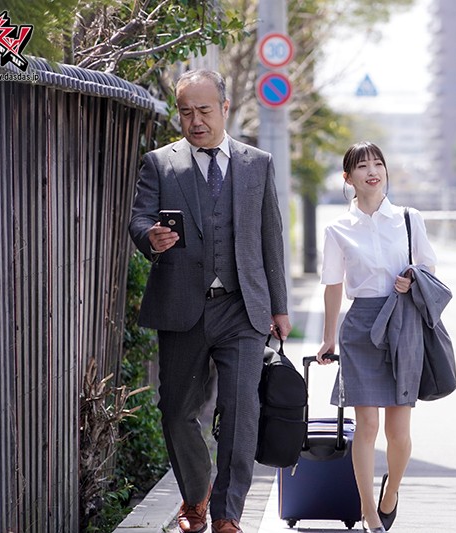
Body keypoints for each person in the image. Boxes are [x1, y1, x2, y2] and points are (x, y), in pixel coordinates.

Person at [129, 69, 291, 533]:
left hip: (243, 306)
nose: (195, 120)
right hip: (182, 305)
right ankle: (196, 493)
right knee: (176, 410)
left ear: (224, 107)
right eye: (185, 112)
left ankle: (227, 514)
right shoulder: (160, 163)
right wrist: (150, 237)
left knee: (243, 412)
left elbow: (270, 238)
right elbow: (139, 220)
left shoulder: (256, 163)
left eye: (203, 110)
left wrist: (279, 308)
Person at [316, 141, 437, 532]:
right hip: (360, 328)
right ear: (347, 178)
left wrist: (413, 277)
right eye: (362, 165)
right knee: (366, 427)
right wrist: (328, 337)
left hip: (403, 324)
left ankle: (391, 492)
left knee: (398, 432)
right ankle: (369, 513)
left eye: (378, 163)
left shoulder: (407, 218)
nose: (373, 170)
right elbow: (333, 285)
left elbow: (429, 265)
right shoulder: (337, 229)